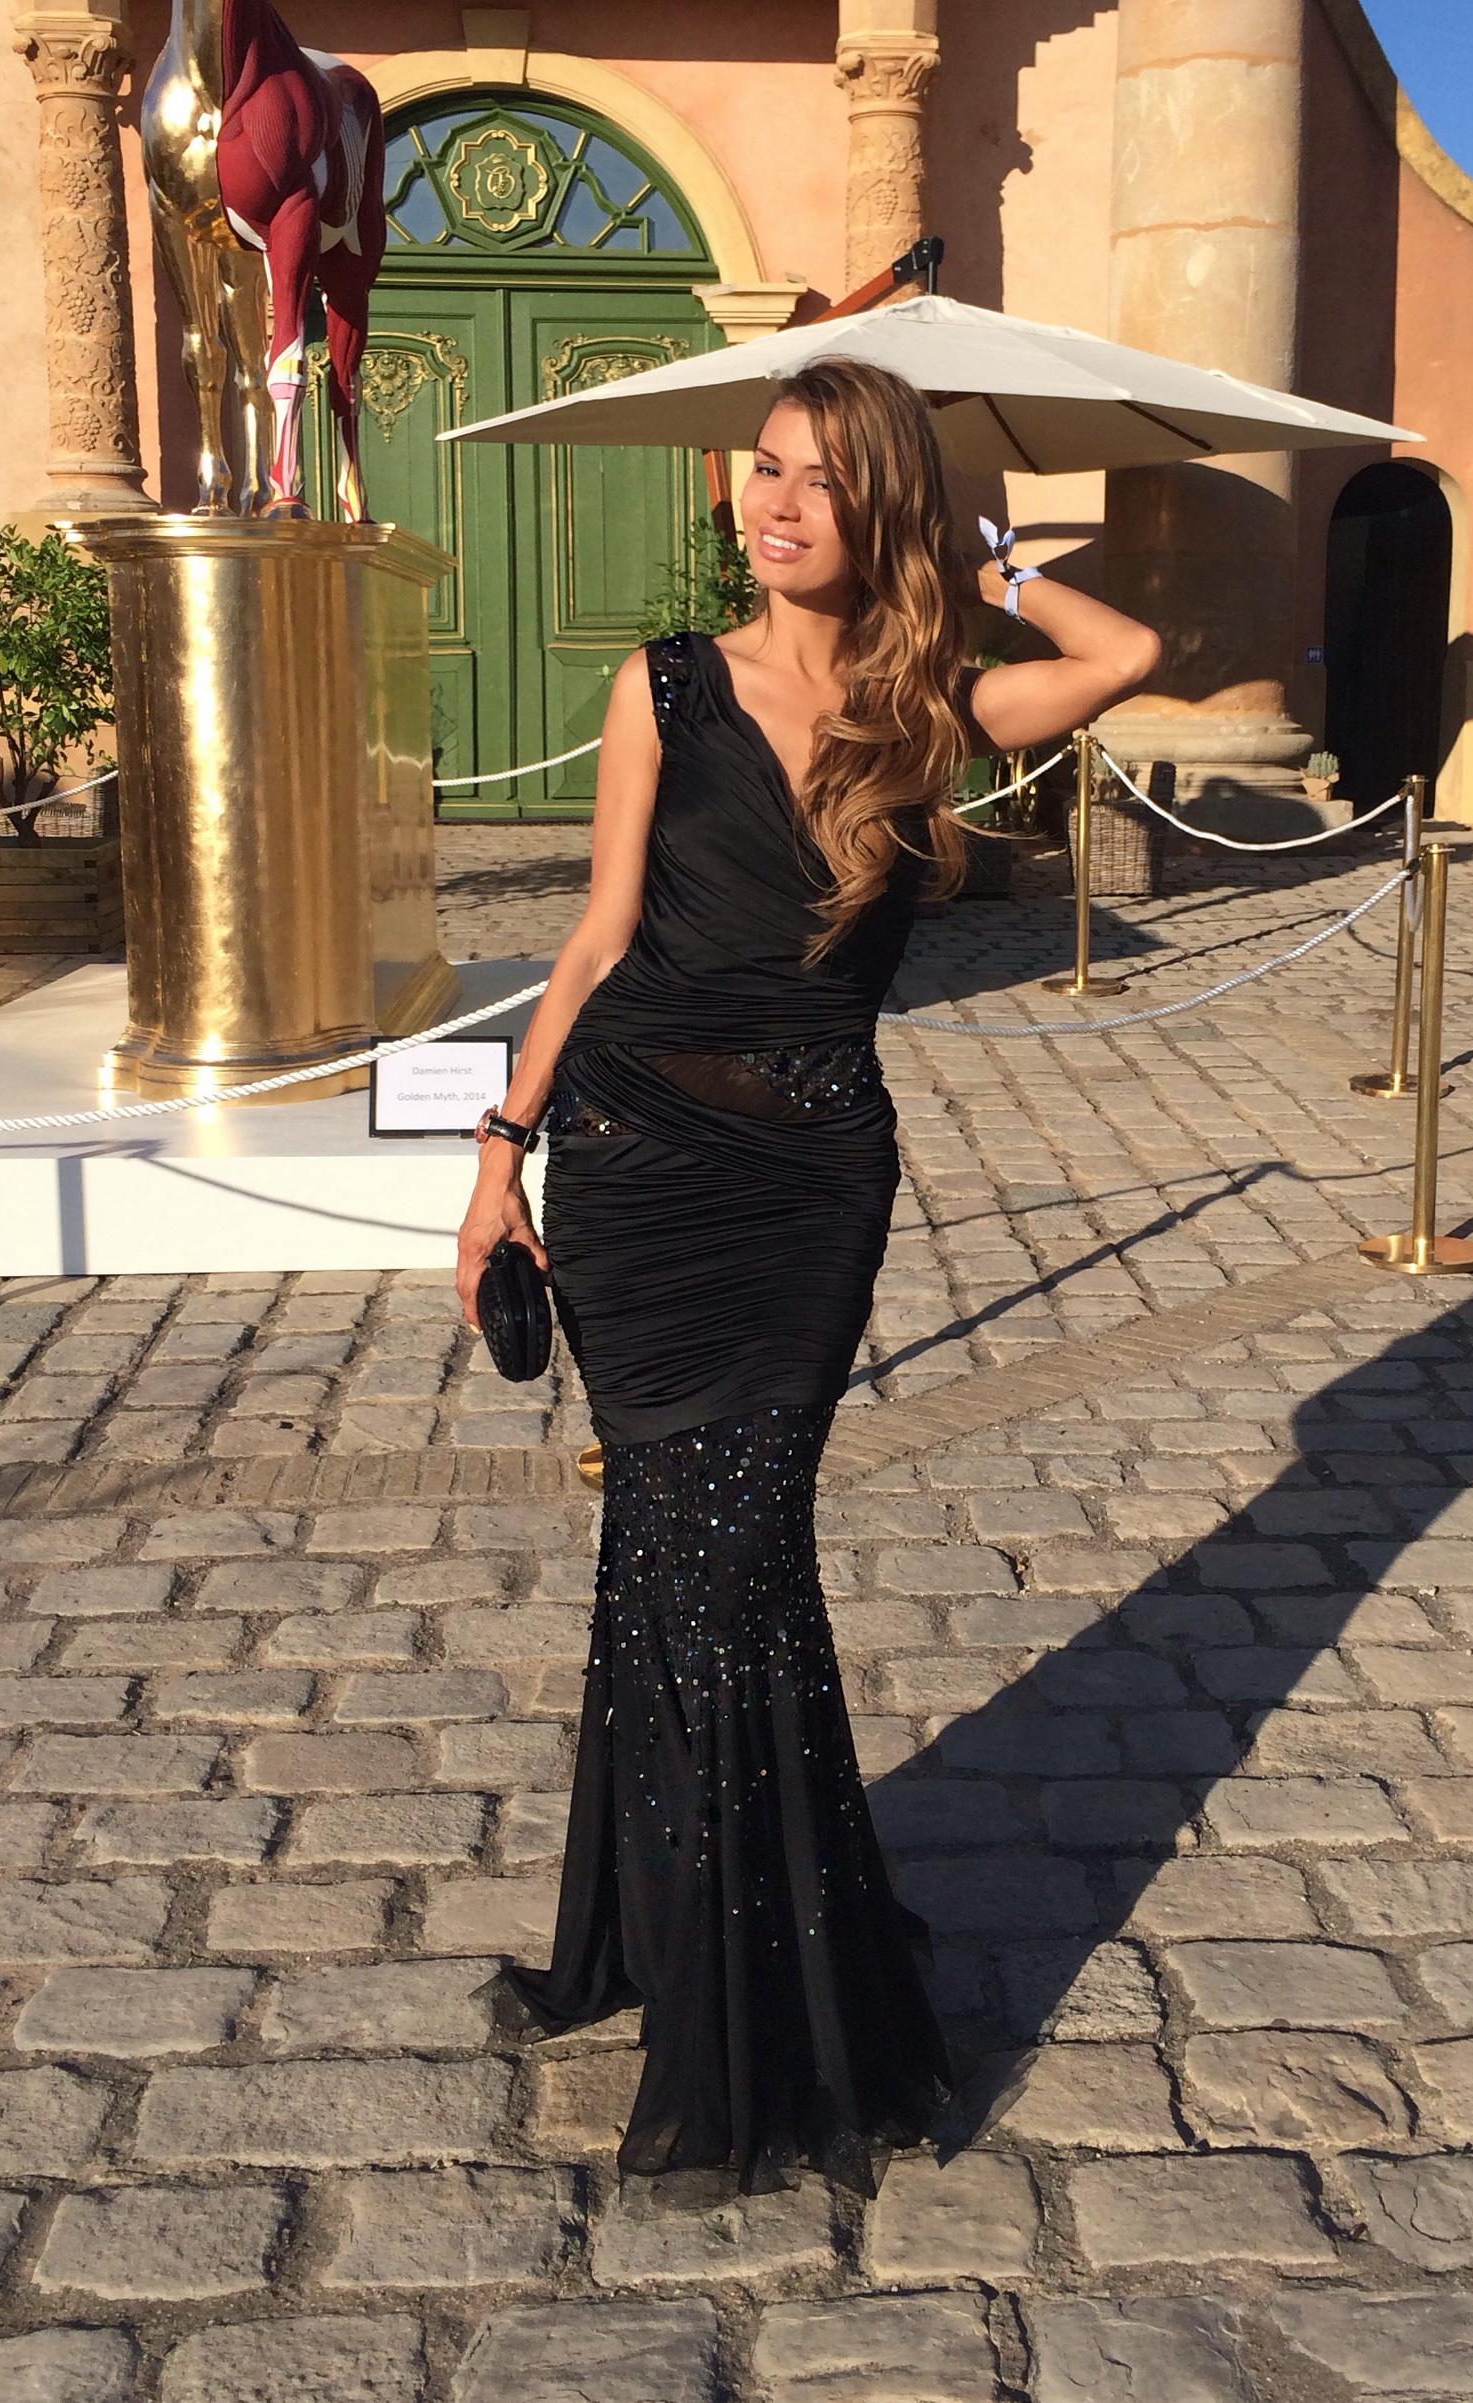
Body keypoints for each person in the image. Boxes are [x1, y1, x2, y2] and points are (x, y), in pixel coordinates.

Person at [456, 358, 1160, 2194]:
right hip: (631, 1164)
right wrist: (499, 1156)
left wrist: (985, 562)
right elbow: (600, 931)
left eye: (824, 482)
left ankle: (758, 1987)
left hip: (808, 1186)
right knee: (671, 1554)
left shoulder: (935, 700)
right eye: (764, 469)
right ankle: (675, 1946)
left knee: (736, 1556)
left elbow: (1128, 653)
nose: (775, 505)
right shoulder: (663, 683)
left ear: (883, 510)